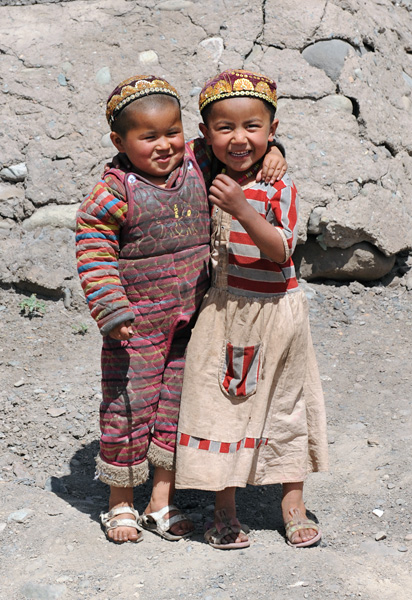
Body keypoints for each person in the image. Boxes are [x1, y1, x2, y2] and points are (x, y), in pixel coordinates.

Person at [75, 74, 287, 544]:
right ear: (120, 141)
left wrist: (278, 151)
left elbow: (241, 144)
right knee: (129, 406)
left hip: (195, 317)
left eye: (172, 132)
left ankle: (160, 501)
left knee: (177, 406)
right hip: (137, 323)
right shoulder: (114, 191)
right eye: (148, 137)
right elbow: (93, 250)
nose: (165, 145)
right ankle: (120, 503)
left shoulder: (197, 160)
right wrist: (111, 308)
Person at [175, 69, 328, 550]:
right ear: (206, 134)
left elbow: (280, 251)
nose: (239, 138)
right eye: (225, 128)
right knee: (224, 406)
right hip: (225, 313)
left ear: (273, 130)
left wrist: (244, 209)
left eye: (253, 127)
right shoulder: (204, 170)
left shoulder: (278, 187)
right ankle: (224, 509)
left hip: (276, 312)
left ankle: (292, 503)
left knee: (286, 406)